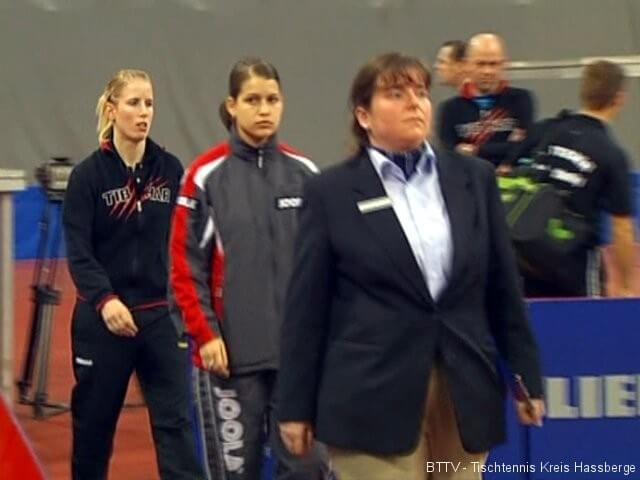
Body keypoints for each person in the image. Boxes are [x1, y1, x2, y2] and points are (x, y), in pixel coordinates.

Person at [276, 52, 545, 480]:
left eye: (421, 92)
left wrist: (526, 374)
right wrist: (294, 405)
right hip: (370, 397)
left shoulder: (474, 179)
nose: (414, 103)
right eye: (396, 94)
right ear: (364, 115)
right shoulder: (331, 192)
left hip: (462, 391)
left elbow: (503, 288)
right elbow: (306, 308)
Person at [169, 57, 328, 480]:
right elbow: (185, 266)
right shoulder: (203, 177)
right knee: (236, 474)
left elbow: (325, 268)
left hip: (297, 363)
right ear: (232, 105)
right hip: (229, 362)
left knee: (309, 469)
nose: (264, 109)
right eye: (253, 99)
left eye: (272, 99)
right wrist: (205, 336)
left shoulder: (306, 174)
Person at [62, 69, 203, 480]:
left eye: (150, 103)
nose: (144, 113)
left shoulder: (169, 170)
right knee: (93, 429)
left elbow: (185, 243)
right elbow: (79, 251)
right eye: (134, 103)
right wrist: (106, 300)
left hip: (160, 318)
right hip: (103, 322)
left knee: (176, 427)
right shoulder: (88, 177)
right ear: (112, 109)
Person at [504, 60, 636, 298]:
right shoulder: (611, 154)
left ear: (583, 91)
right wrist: (627, 286)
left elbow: (504, 170)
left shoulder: (546, 129)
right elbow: (622, 229)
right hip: (572, 262)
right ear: (619, 98)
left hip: (522, 253)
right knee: (583, 326)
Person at [437, 33, 535, 167]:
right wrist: (506, 147)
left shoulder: (520, 100)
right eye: (480, 64)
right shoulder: (450, 109)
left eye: (493, 64)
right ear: (467, 65)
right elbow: (449, 157)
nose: (487, 71)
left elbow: (525, 148)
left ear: (503, 64)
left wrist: (475, 150)